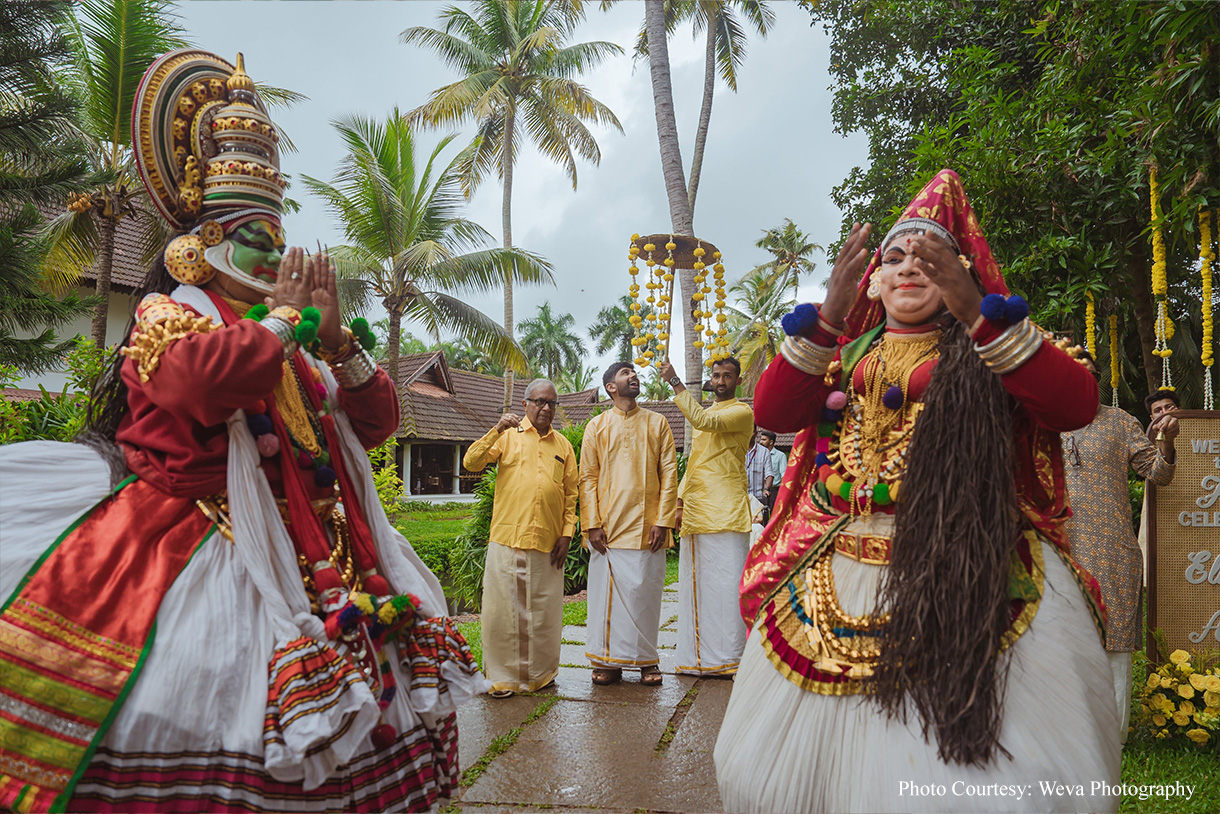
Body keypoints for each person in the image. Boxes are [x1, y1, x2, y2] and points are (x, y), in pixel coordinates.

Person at [0, 50, 481, 813]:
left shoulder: (288, 344)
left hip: (318, 551)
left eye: (280, 235)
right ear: (203, 246)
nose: (278, 254)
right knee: (203, 708)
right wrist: (288, 320)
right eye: (258, 236)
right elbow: (202, 382)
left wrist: (340, 345)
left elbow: (377, 424)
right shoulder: (168, 317)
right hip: (199, 544)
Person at [714, 169, 1121, 813]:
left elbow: (1075, 405)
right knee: (762, 777)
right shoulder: (842, 357)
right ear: (872, 278)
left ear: (962, 272)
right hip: (833, 564)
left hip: (972, 564)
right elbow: (775, 410)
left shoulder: (998, 349)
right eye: (895, 256)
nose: (910, 268)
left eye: (931, 257)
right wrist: (827, 315)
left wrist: (976, 316)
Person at [1062, 360, 1177, 740]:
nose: (1082, 381)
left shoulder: (1121, 421)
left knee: (1114, 641)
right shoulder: (1042, 421)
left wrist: (1169, 442)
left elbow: (1158, 473)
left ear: (1097, 381)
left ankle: (1113, 737)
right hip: (1057, 546)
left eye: (1089, 376)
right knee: (1060, 638)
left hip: (1112, 547)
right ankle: (1067, 734)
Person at [462, 380, 579, 698]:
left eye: (552, 403)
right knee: (503, 613)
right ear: (526, 403)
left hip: (549, 541)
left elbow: (571, 496)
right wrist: (496, 428)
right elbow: (471, 462)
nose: (546, 408)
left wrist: (567, 534)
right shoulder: (508, 437)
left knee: (544, 612)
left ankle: (541, 676)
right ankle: (501, 679)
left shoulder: (564, 446)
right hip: (507, 536)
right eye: (540, 401)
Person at [580, 362, 678, 686]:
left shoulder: (657, 423)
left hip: (648, 526)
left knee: (645, 596)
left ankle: (647, 660)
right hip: (607, 529)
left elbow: (669, 474)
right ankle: (608, 662)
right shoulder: (596, 426)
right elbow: (588, 478)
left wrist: (663, 521)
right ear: (611, 387)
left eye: (634, 373)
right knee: (607, 599)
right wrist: (592, 523)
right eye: (625, 373)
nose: (633, 376)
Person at [658, 356, 754, 676]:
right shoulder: (707, 412)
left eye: (727, 376)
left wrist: (674, 381)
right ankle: (696, 658)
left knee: (726, 587)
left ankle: (729, 659)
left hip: (726, 509)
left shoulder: (742, 412)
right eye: (716, 375)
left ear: (737, 381)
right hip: (698, 509)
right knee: (695, 586)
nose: (721, 381)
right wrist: (681, 502)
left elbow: (703, 421)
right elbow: (695, 461)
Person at [1136, 388, 1182, 577]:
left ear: (1180, 409)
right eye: (1158, 410)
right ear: (1151, 416)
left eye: (1169, 407)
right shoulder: (1145, 443)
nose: (1165, 413)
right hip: (1161, 509)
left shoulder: (1201, 432)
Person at [745, 429, 774, 519]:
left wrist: (767, 489)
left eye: (751, 431)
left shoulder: (764, 452)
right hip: (742, 498)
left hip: (758, 499)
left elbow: (769, 474)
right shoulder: (737, 450)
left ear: (755, 433)